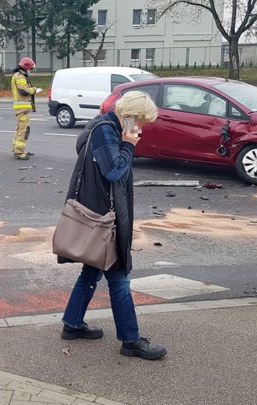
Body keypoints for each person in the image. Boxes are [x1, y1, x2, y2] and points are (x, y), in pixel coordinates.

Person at [58, 91, 167, 361]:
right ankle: (130, 340)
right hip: (105, 220)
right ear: (128, 116)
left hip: (97, 214)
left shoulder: (100, 126)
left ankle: (72, 324)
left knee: (92, 271)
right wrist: (129, 144)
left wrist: (126, 141)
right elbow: (114, 171)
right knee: (119, 279)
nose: (141, 128)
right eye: (140, 121)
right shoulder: (106, 132)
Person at [10, 57, 39, 160]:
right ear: (26, 67)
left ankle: (16, 149)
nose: (30, 71)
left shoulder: (18, 76)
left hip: (21, 109)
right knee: (24, 130)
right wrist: (34, 90)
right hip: (22, 109)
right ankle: (19, 152)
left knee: (20, 129)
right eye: (30, 69)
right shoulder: (20, 77)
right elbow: (24, 91)